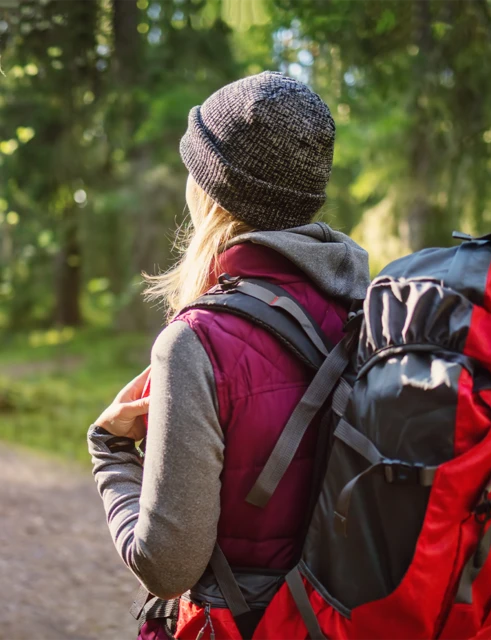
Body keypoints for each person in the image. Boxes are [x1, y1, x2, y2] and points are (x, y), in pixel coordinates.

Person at [88, 71, 370, 639]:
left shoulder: (197, 340)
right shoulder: (368, 311)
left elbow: (167, 568)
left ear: (214, 191)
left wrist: (111, 450)